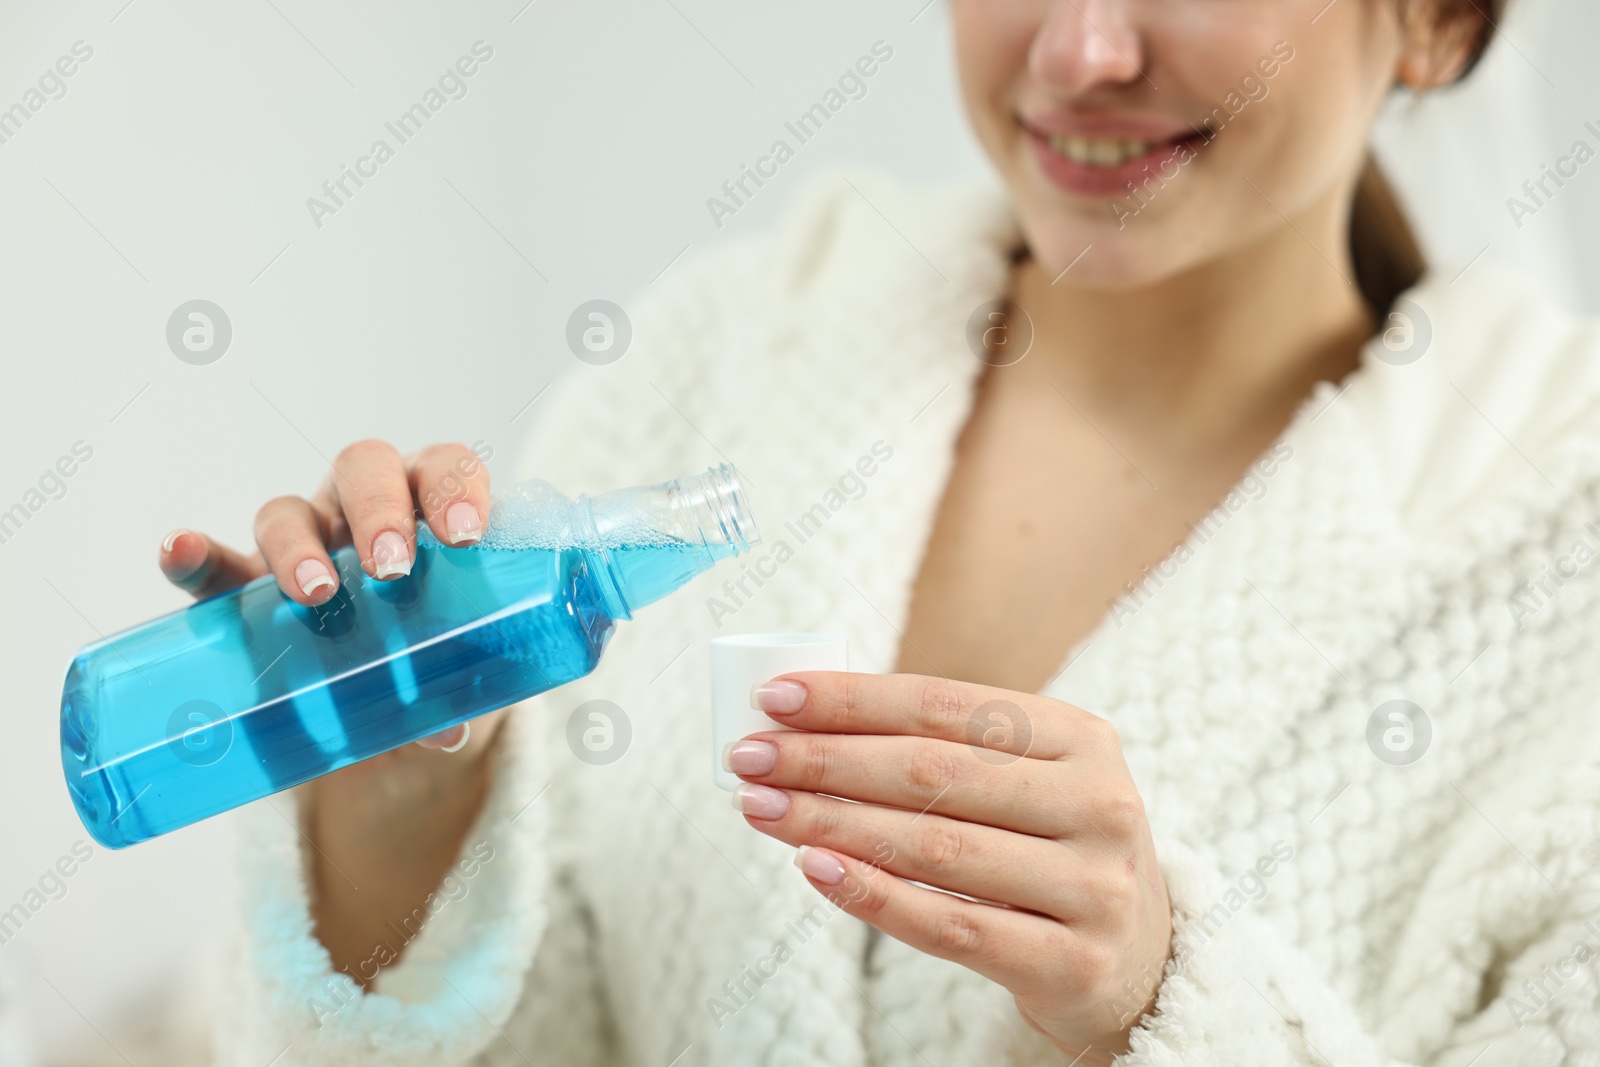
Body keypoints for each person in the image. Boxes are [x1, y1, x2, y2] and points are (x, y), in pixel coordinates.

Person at [164, 1, 1600, 1063]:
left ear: (1430, 23)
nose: (1085, 50)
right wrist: (401, 797)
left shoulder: (1559, 547)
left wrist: (1165, 1003)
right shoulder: (723, 349)